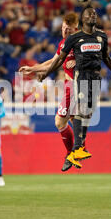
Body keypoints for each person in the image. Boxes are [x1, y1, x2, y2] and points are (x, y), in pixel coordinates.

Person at [38, 5, 111, 170]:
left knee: (80, 115)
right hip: (78, 80)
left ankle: (77, 150)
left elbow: (107, 58)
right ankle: (75, 151)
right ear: (83, 19)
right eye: (89, 14)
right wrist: (43, 72)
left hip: (91, 79)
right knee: (77, 114)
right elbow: (57, 60)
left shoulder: (101, 36)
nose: (92, 15)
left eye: (94, 13)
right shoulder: (72, 40)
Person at [19, 12, 79, 171]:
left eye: (68, 28)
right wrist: (32, 68)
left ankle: (71, 153)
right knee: (71, 120)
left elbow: (94, 59)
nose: (64, 30)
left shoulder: (81, 42)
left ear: (75, 28)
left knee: (60, 121)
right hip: (70, 87)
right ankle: (76, 150)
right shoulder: (63, 44)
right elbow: (53, 62)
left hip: (77, 87)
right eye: (63, 27)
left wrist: (78, 62)